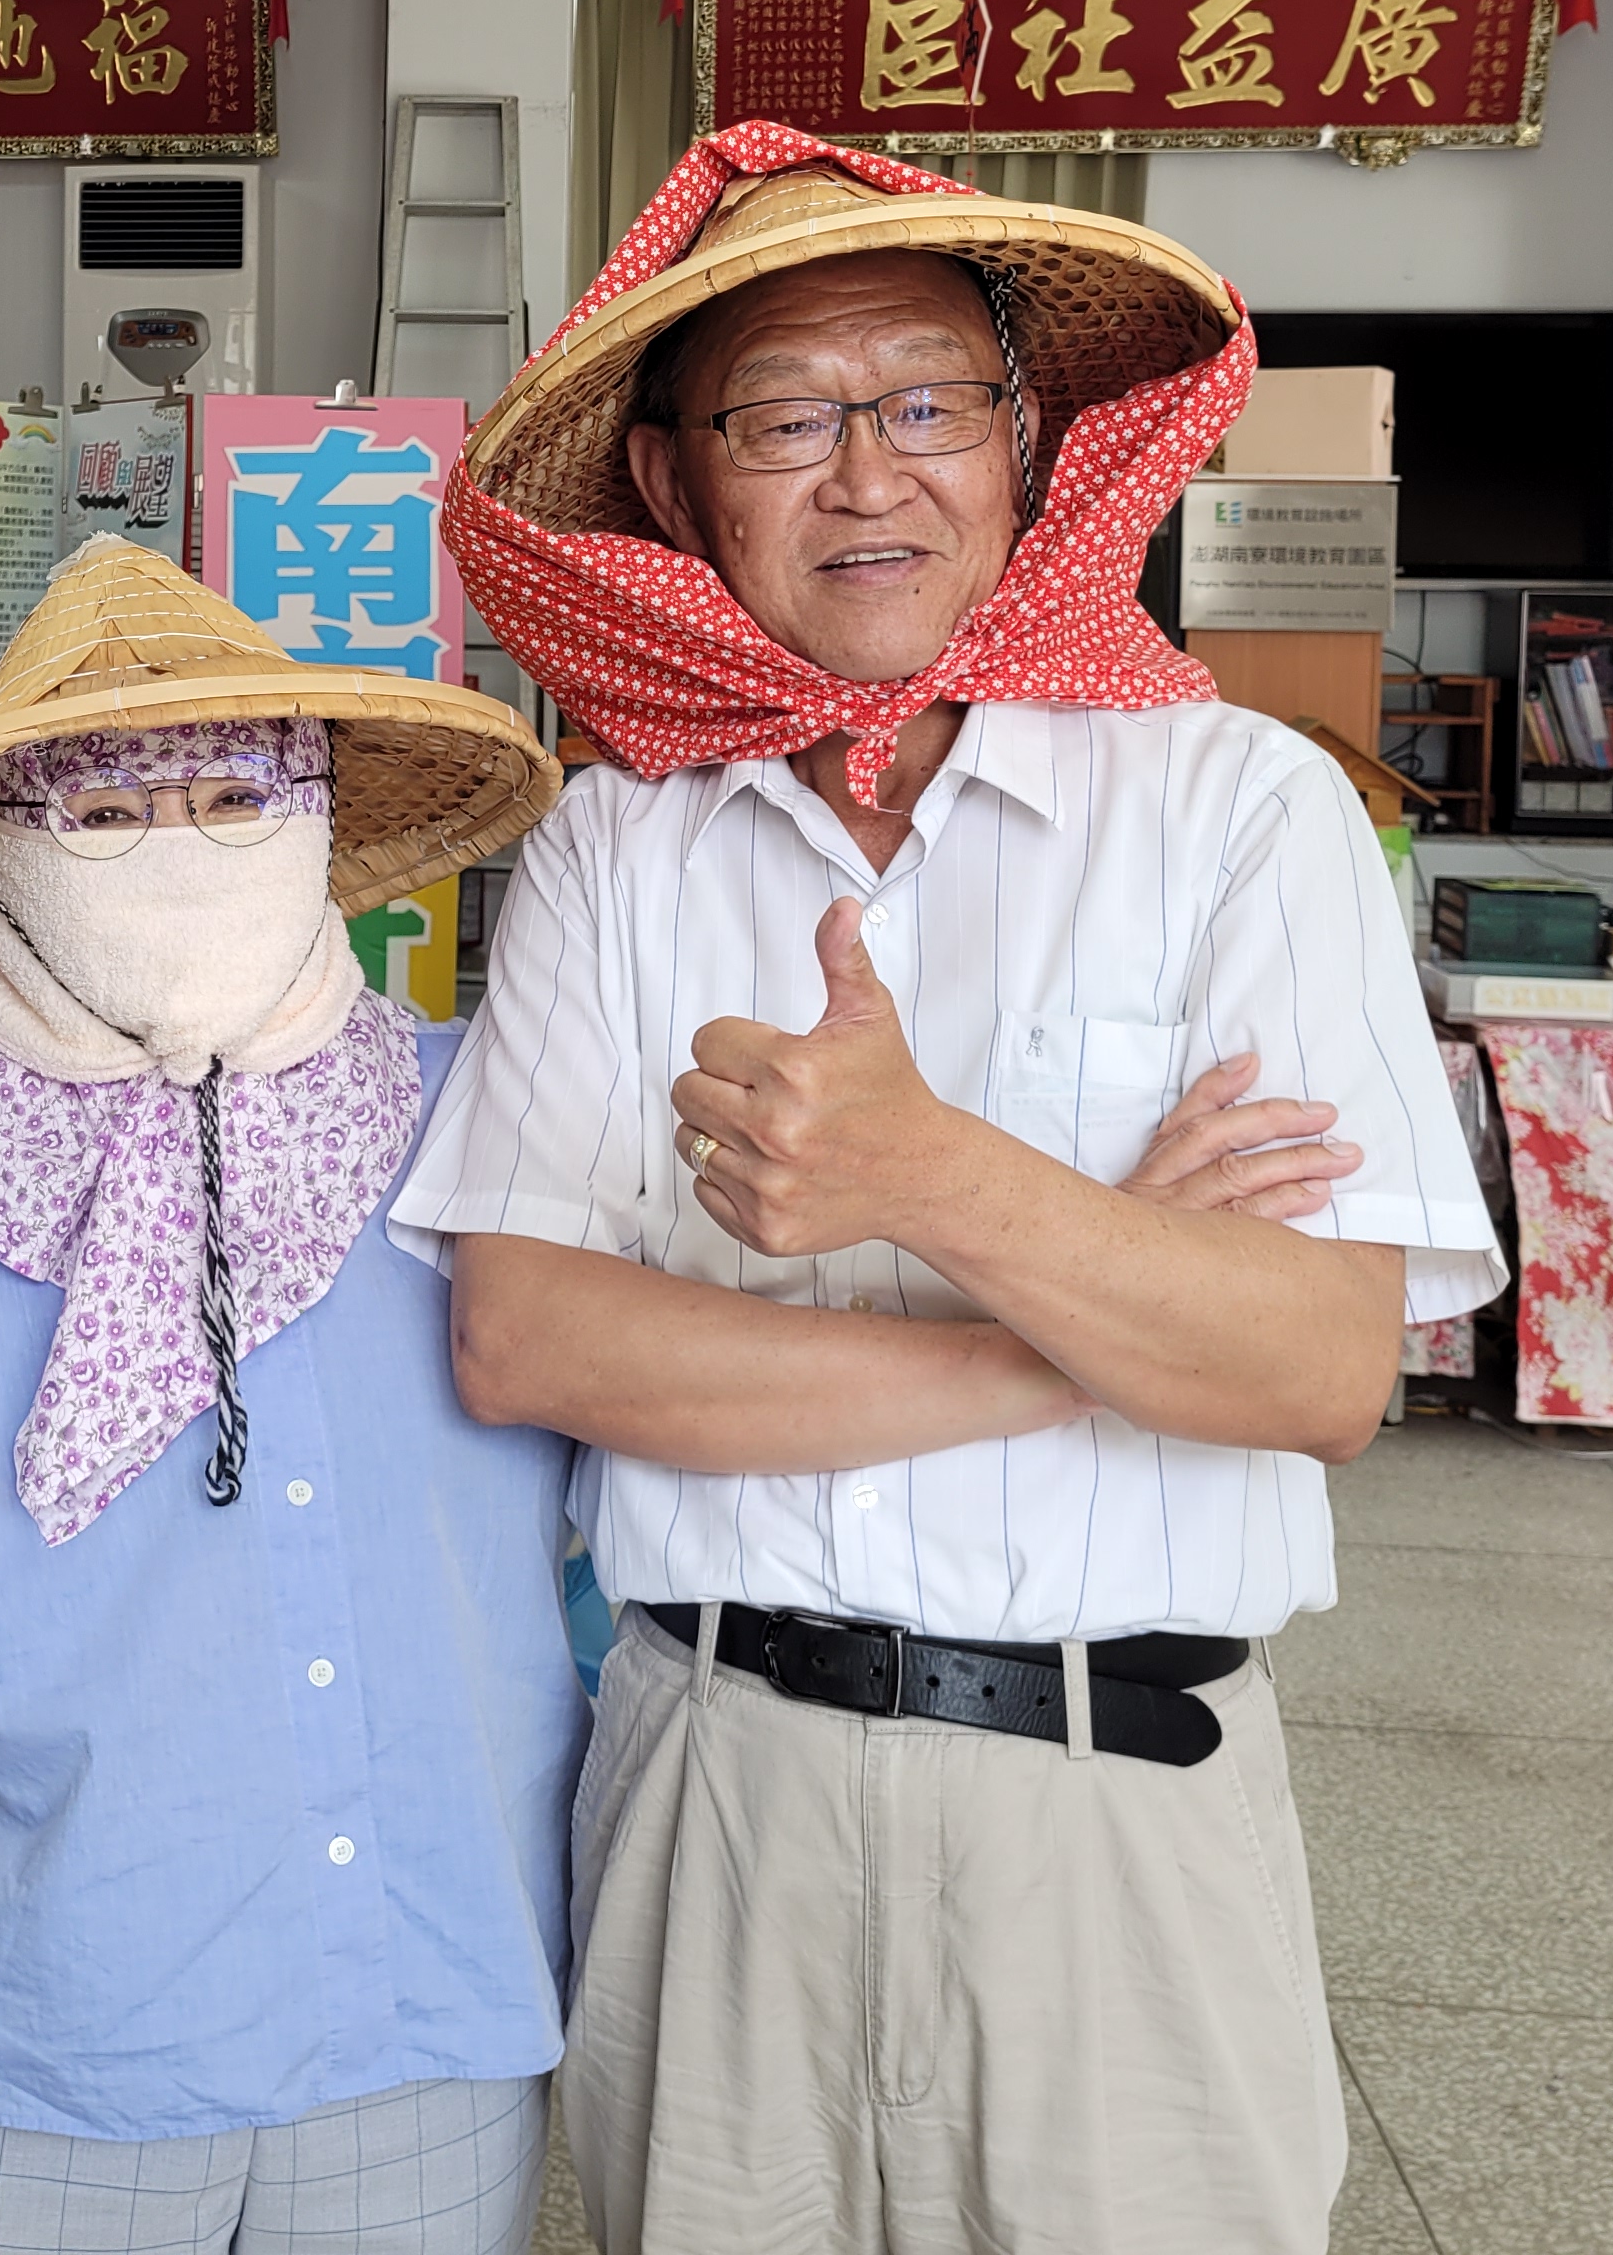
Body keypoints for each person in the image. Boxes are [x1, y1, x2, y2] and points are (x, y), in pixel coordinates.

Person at [397, 124, 1503, 2255]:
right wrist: (1086, 1317)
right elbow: (529, 1340)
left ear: (1031, 446)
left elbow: (1312, 1366)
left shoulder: (1240, 812)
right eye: (784, 418)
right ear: (674, 488)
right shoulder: (622, 843)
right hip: (713, 1792)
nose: (866, 476)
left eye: (927, 403)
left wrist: (929, 1177)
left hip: (1118, 1811)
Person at [0, 538, 582, 2255]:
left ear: (315, 819)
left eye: (234, 796)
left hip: (427, 2023)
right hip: (45, 2052)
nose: (179, 853)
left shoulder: (488, 1126)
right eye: (102, 810)